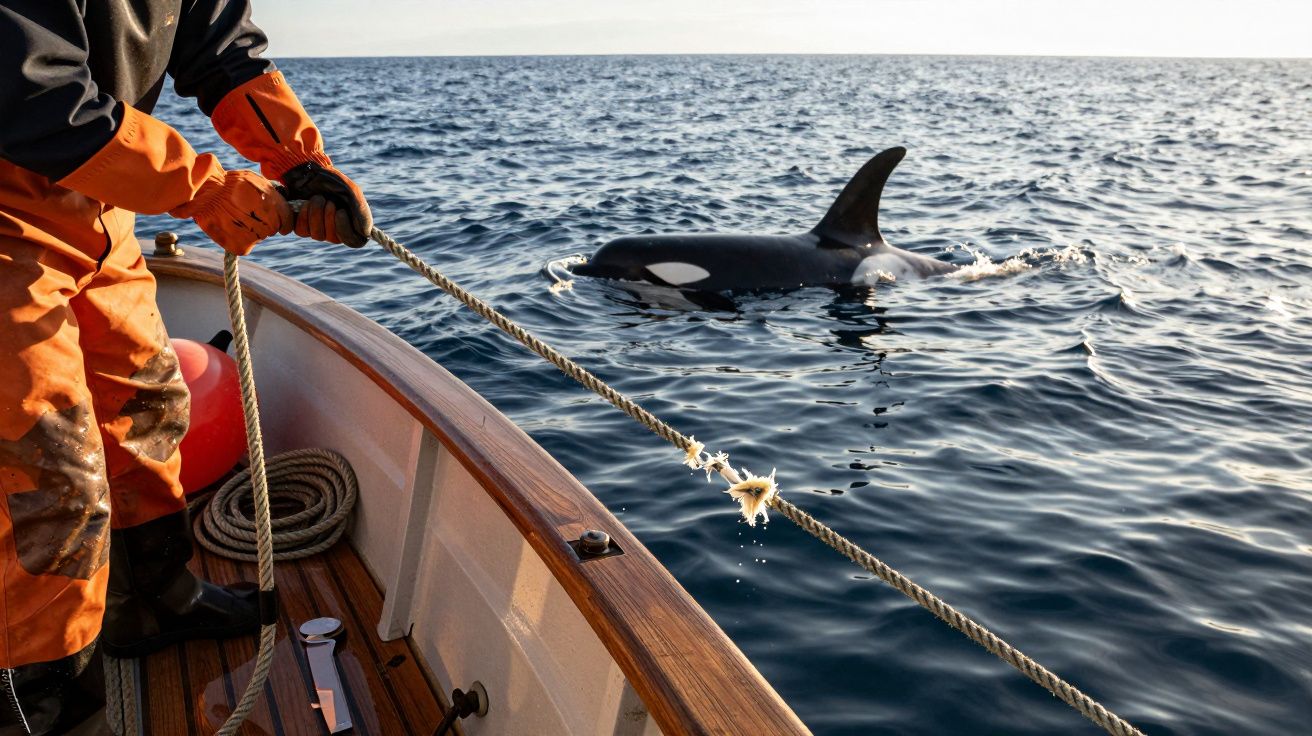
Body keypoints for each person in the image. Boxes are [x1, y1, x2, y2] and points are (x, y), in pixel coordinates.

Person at [0, 2, 371, 732]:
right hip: (11, 212)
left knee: (150, 410)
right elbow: (31, 89)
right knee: (49, 482)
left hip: (102, 207)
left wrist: (301, 162)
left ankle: (153, 599)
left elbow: (224, 50)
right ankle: (49, 710)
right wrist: (202, 187)